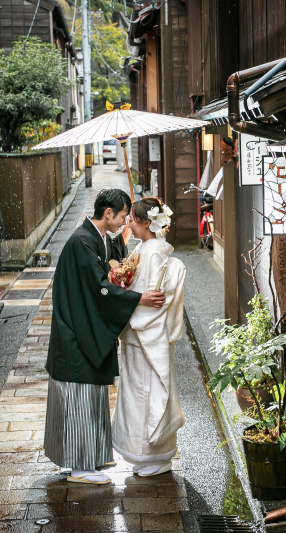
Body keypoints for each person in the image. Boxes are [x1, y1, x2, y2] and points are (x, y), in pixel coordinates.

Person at [44, 188, 165, 485]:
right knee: (80, 401)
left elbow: (111, 260)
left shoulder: (94, 238)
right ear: (108, 213)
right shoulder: (82, 241)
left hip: (82, 328)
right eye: (123, 215)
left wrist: (124, 241)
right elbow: (99, 288)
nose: (126, 221)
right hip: (76, 334)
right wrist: (138, 298)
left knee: (88, 400)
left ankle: (88, 460)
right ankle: (80, 467)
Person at [112, 197, 186, 477]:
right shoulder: (145, 248)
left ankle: (153, 455)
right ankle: (146, 454)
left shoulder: (152, 252)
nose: (128, 223)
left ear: (146, 223)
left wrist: (126, 295)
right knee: (140, 395)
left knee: (146, 395)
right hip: (140, 333)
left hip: (145, 333)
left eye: (131, 219)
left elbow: (152, 297)